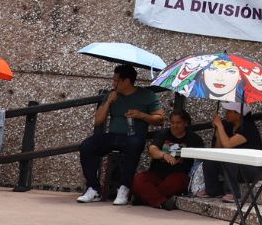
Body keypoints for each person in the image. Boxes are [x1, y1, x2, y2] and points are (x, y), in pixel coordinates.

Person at [77, 64, 165, 206]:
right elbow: (98, 120)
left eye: (116, 80)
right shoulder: (112, 95)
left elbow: (160, 119)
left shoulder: (147, 95)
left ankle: (124, 188)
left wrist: (141, 115)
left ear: (127, 81)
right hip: (112, 135)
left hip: (133, 137)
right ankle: (93, 188)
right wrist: (108, 102)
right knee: (87, 146)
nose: (114, 83)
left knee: (134, 145)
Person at [132, 109, 203, 210]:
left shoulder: (194, 139)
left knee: (177, 182)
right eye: (172, 123)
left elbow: (200, 158)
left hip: (178, 175)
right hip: (157, 174)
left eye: (178, 123)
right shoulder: (163, 134)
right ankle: (162, 202)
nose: (175, 126)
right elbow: (152, 150)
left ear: (186, 123)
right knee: (139, 179)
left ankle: (145, 198)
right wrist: (164, 155)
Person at [198, 102, 262, 203]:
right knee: (209, 160)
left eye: (229, 111)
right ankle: (212, 190)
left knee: (230, 158)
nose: (226, 114)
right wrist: (218, 131)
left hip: (251, 169)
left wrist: (220, 126)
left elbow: (227, 145)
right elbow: (218, 149)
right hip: (234, 167)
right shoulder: (229, 126)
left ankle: (232, 193)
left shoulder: (248, 128)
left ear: (238, 114)